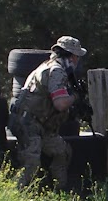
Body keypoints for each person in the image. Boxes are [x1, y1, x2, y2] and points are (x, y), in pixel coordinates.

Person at [9, 35, 87, 190]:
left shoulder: (47, 65)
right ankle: (12, 196)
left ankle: (61, 191)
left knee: (62, 152)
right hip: (28, 123)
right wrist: (76, 97)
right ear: (71, 56)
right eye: (77, 57)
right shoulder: (56, 71)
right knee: (31, 163)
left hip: (39, 123)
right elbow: (60, 104)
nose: (77, 61)